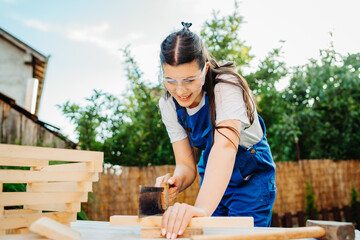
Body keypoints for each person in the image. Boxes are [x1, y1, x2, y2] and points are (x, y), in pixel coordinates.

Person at [155, 21, 276, 239]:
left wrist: (201, 211)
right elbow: (185, 165)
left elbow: (225, 148)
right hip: (212, 173)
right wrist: (177, 181)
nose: (180, 90)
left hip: (250, 175)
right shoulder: (168, 105)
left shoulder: (226, 86)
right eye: (170, 81)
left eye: (190, 80)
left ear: (205, 70)